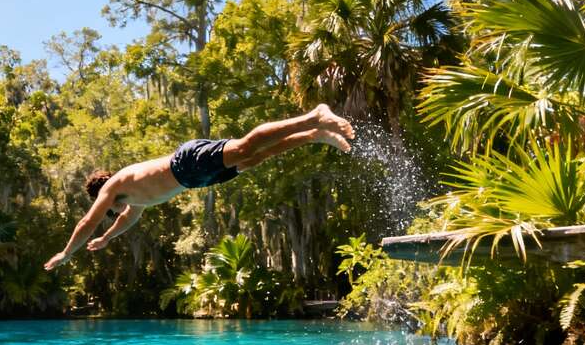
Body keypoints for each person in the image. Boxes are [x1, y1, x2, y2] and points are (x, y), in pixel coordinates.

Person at [44, 104, 355, 270]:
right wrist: (107, 238)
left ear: (101, 195)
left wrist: (66, 252)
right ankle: (314, 135)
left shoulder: (113, 187)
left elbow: (88, 220)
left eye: (109, 213)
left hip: (186, 163)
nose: (114, 214)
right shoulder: (132, 198)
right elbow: (130, 217)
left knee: (247, 148)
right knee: (254, 160)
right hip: (195, 180)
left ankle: (314, 116)